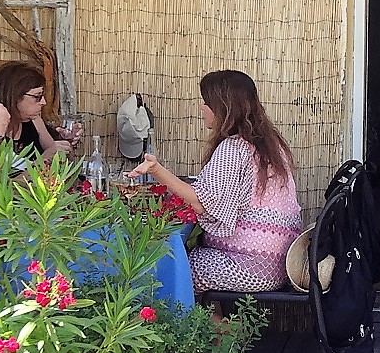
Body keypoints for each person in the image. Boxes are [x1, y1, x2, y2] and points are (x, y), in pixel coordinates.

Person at [129, 70, 303, 292]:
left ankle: (203, 319)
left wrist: (156, 169)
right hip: (282, 265)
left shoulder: (233, 148)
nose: (202, 107)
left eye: (206, 102)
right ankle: (217, 315)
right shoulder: (273, 147)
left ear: (223, 107)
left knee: (172, 268)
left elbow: (200, 203)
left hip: (247, 266)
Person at [0, 61, 75, 171]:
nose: (43, 102)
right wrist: (42, 161)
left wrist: (66, 144)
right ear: (15, 96)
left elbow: (59, 161)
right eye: (37, 96)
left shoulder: (35, 121)